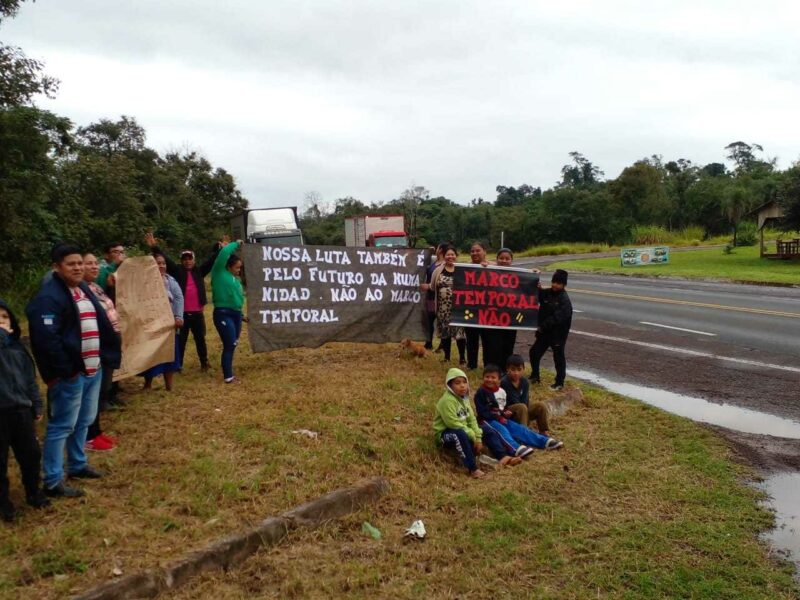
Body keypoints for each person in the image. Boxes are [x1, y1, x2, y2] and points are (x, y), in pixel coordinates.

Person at [26, 244, 121, 498]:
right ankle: (53, 480)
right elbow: (47, 341)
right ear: (57, 267)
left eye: (80, 262)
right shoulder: (49, 297)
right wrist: (66, 372)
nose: (78, 267)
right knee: (62, 425)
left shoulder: (83, 290)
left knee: (83, 422)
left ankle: (77, 464)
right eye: (71, 264)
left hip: (92, 368)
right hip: (71, 374)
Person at [0, 299, 51, 520]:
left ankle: (33, 492)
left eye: (4, 317)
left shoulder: (17, 348)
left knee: (30, 454)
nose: (1, 322)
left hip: (21, 409)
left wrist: (36, 403)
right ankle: (4, 504)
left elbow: (30, 379)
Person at [145, 233, 220, 372]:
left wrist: (220, 249)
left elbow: (211, 261)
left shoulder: (199, 271)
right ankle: (177, 365)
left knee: (200, 339)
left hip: (198, 313)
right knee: (180, 341)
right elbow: (165, 258)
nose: (187, 261)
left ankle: (204, 362)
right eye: (184, 259)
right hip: (181, 314)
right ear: (181, 261)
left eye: (190, 259)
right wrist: (154, 247)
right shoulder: (177, 271)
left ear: (194, 260)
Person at [433, 368, 521, 478]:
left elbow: (472, 419)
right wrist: (473, 436)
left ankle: (502, 457)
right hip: (445, 433)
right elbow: (452, 423)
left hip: (465, 429)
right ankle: (472, 469)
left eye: (464, 382)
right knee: (460, 434)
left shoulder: (464, 399)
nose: (462, 386)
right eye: (457, 383)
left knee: (487, 430)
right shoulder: (447, 401)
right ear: (449, 386)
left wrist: (478, 436)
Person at [474, 364, 563, 456]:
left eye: (493, 377)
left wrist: (505, 413)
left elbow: (502, 407)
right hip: (486, 421)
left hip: (501, 418)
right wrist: (498, 417)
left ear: (498, 379)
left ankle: (545, 442)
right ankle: (515, 448)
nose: (490, 380)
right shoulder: (481, 392)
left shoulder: (500, 391)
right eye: (487, 377)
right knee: (502, 430)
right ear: (483, 377)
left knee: (519, 428)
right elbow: (482, 412)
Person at [82, 253, 121, 451]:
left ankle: (95, 431)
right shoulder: (79, 291)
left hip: (108, 343)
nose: (94, 267)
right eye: (89, 264)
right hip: (98, 346)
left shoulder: (96, 287)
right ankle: (89, 435)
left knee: (102, 389)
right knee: (95, 393)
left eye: (96, 263)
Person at [141, 253, 184, 391]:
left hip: (168, 325)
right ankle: (148, 384)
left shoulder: (171, 281)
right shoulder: (144, 282)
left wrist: (178, 316)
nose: (161, 266)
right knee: (151, 355)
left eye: (163, 263)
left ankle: (169, 386)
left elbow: (178, 298)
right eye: (158, 263)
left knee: (169, 355)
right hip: (151, 325)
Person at [529, 269, 573, 391]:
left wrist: (542, 326)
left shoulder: (564, 300)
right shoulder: (548, 293)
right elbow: (538, 294)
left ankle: (559, 382)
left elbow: (557, 318)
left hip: (558, 334)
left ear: (564, 285)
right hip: (545, 332)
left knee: (558, 357)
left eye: (558, 283)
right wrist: (535, 279)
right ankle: (535, 376)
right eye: (554, 282)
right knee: (534, 352)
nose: (555, 285)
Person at [211, 240, 246, 384]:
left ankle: (229, 371)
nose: (239, 270)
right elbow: (224, 253)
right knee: (229, 343)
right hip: (223, 313)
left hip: (236, 314)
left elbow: (237, 299)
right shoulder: (218, 272)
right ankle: (228, 376)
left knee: (234, 343)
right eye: (237, 267)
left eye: (240, 268)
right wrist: (236, 244)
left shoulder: (235, 280)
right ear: (229, 265)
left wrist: (242, 316)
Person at [429, 246, 466, 364]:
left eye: (452, 254)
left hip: (458, 308)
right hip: (443, 308)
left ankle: (462, 358)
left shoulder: (462, 269)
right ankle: (447, 357)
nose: (450, 257)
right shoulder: (438, 270)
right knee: (445, 333)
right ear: (444, 256)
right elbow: (432, 286)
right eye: (448, 255)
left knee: (460, 333)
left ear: (456, 256)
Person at [500, 354, 552, 436]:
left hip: (523, 409)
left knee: (540, 405)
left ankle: (543, 431)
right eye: (513, 370)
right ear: (507, 369)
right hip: (509, 411)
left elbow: (525, 400)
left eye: (519, 369)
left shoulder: (525, 382)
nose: (516, 373)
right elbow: (513, 400)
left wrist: (526, 414)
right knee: (521, 407)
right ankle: (523, 434)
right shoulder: (504, 382)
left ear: (523, 369)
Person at [464, 241, 491, 370]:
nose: (474, 253)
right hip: (471, 310)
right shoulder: (464, 269)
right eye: (472, 251)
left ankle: (487, 365)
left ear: (484, 252)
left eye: (477, 250)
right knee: (471, 339)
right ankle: (472, 364)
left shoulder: (493, 267)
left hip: (488, 312)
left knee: (487, 341)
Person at [421, 242, 447, 350]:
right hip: (430, 297)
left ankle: (443, 343)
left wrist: (430, 286)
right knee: (429, 319)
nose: (436, 249)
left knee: (441, 320)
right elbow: (422, 257)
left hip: (440, 297)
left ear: (440, 250)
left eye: (437, 248)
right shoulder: (434, 261)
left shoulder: (446, 263)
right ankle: (429, 342)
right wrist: (429, 250)